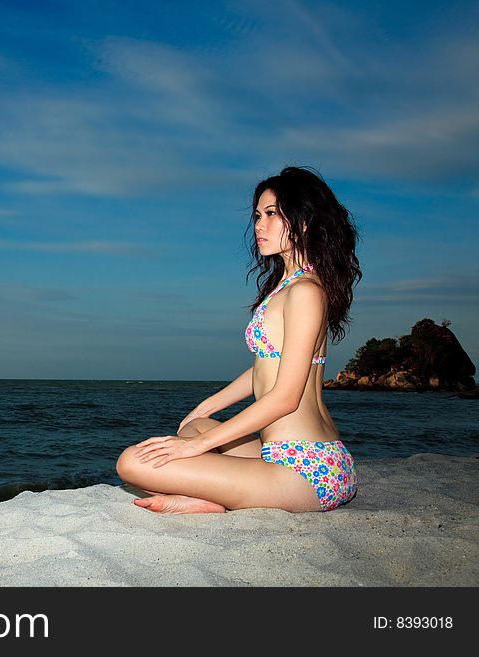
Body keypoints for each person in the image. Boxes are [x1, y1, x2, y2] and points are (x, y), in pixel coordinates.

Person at [116, 165, 362, 513]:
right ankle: (212, 496)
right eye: (258, 215)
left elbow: (286, 397)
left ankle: (212, 500)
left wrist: (195, 447)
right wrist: (207, 407)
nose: (259, 225)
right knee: (195, 426)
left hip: (307, 470)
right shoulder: (290, 286)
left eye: (272, 214)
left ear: (304, 221)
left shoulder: (306, 292)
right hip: (289, 454)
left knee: (132, 463)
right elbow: (265, 367)